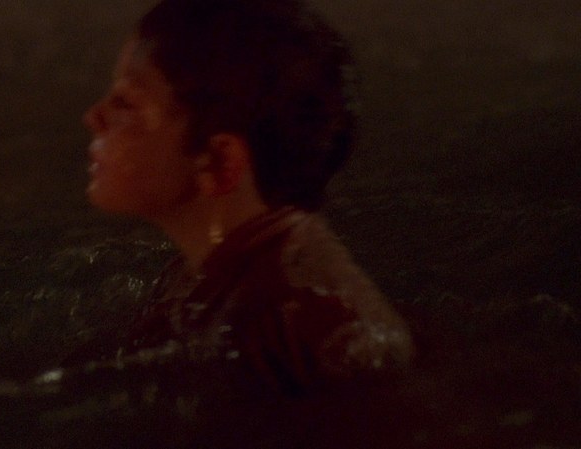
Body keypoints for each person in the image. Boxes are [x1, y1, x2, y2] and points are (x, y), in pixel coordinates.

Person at [73, 0, 413, 395]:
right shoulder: (207, 276)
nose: (93, 117)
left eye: (125, 104)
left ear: (219, 162)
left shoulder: (298, 324)